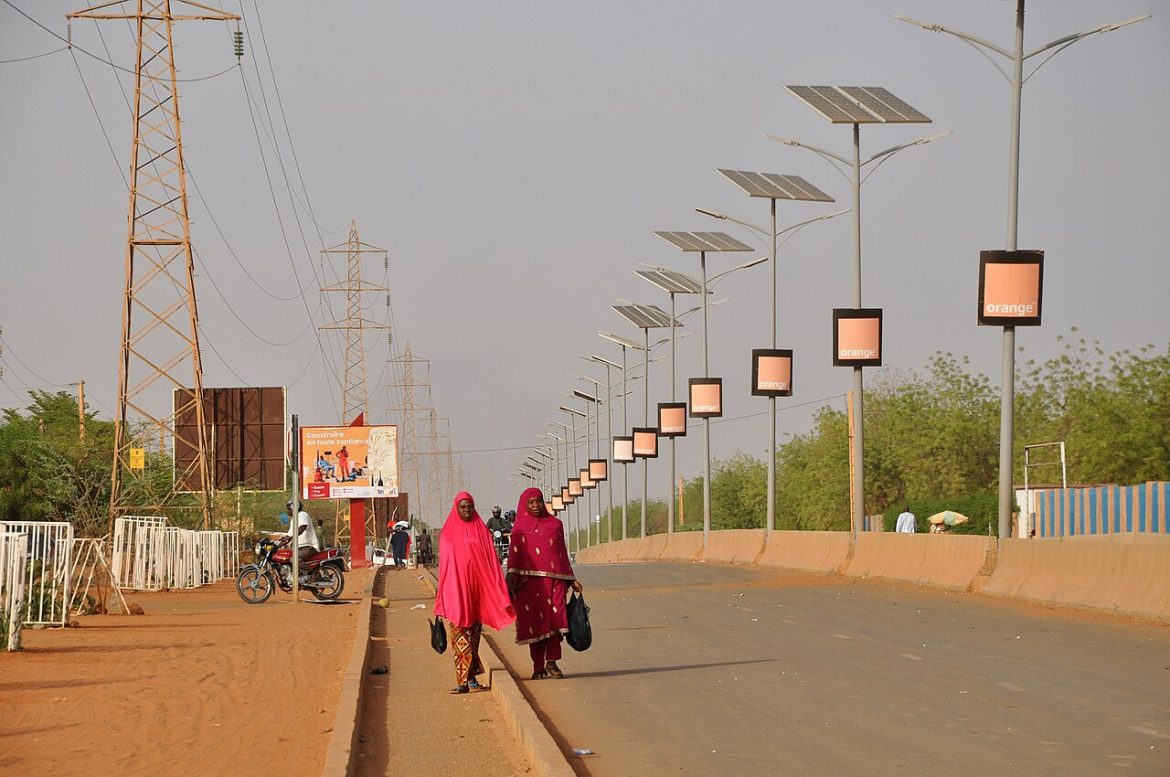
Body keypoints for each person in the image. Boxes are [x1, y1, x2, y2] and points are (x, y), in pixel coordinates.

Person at [434, 492, 515, 694]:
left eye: (470, 506)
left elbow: (491, 563)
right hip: (456, 594)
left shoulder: (482, 531)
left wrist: (496, 589)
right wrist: (443, 595)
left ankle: (471, 678)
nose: (467, 510)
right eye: (463, 507)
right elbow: (444, 568)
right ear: (456, 508)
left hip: (477, 592)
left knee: (474, 637)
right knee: (460, 634)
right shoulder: (447, 534)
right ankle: (462, 680)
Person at [507, 487, 582, 680]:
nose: (535, 505)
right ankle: (538, 666)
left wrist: (572, 579)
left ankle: (552, 661)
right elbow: (514, 559)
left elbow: (562, 554)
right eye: (531, 502)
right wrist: (509, 583)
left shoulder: (555, 525)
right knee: (536, 623)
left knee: (557, 618)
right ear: (525, 505)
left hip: (556, 581)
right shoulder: (519, 529)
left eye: (538, 501)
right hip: (529, 584)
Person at [284, 501, 320, 567]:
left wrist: (291, 537)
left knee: (294, 560)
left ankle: (312, 571)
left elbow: (302, 527)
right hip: (298, 548)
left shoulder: (302, 514)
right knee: (284, 556)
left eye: (289, 509)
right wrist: (276, 545)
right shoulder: (293, 520)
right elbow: (288, 536)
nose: (287, 511)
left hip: (308, 547)